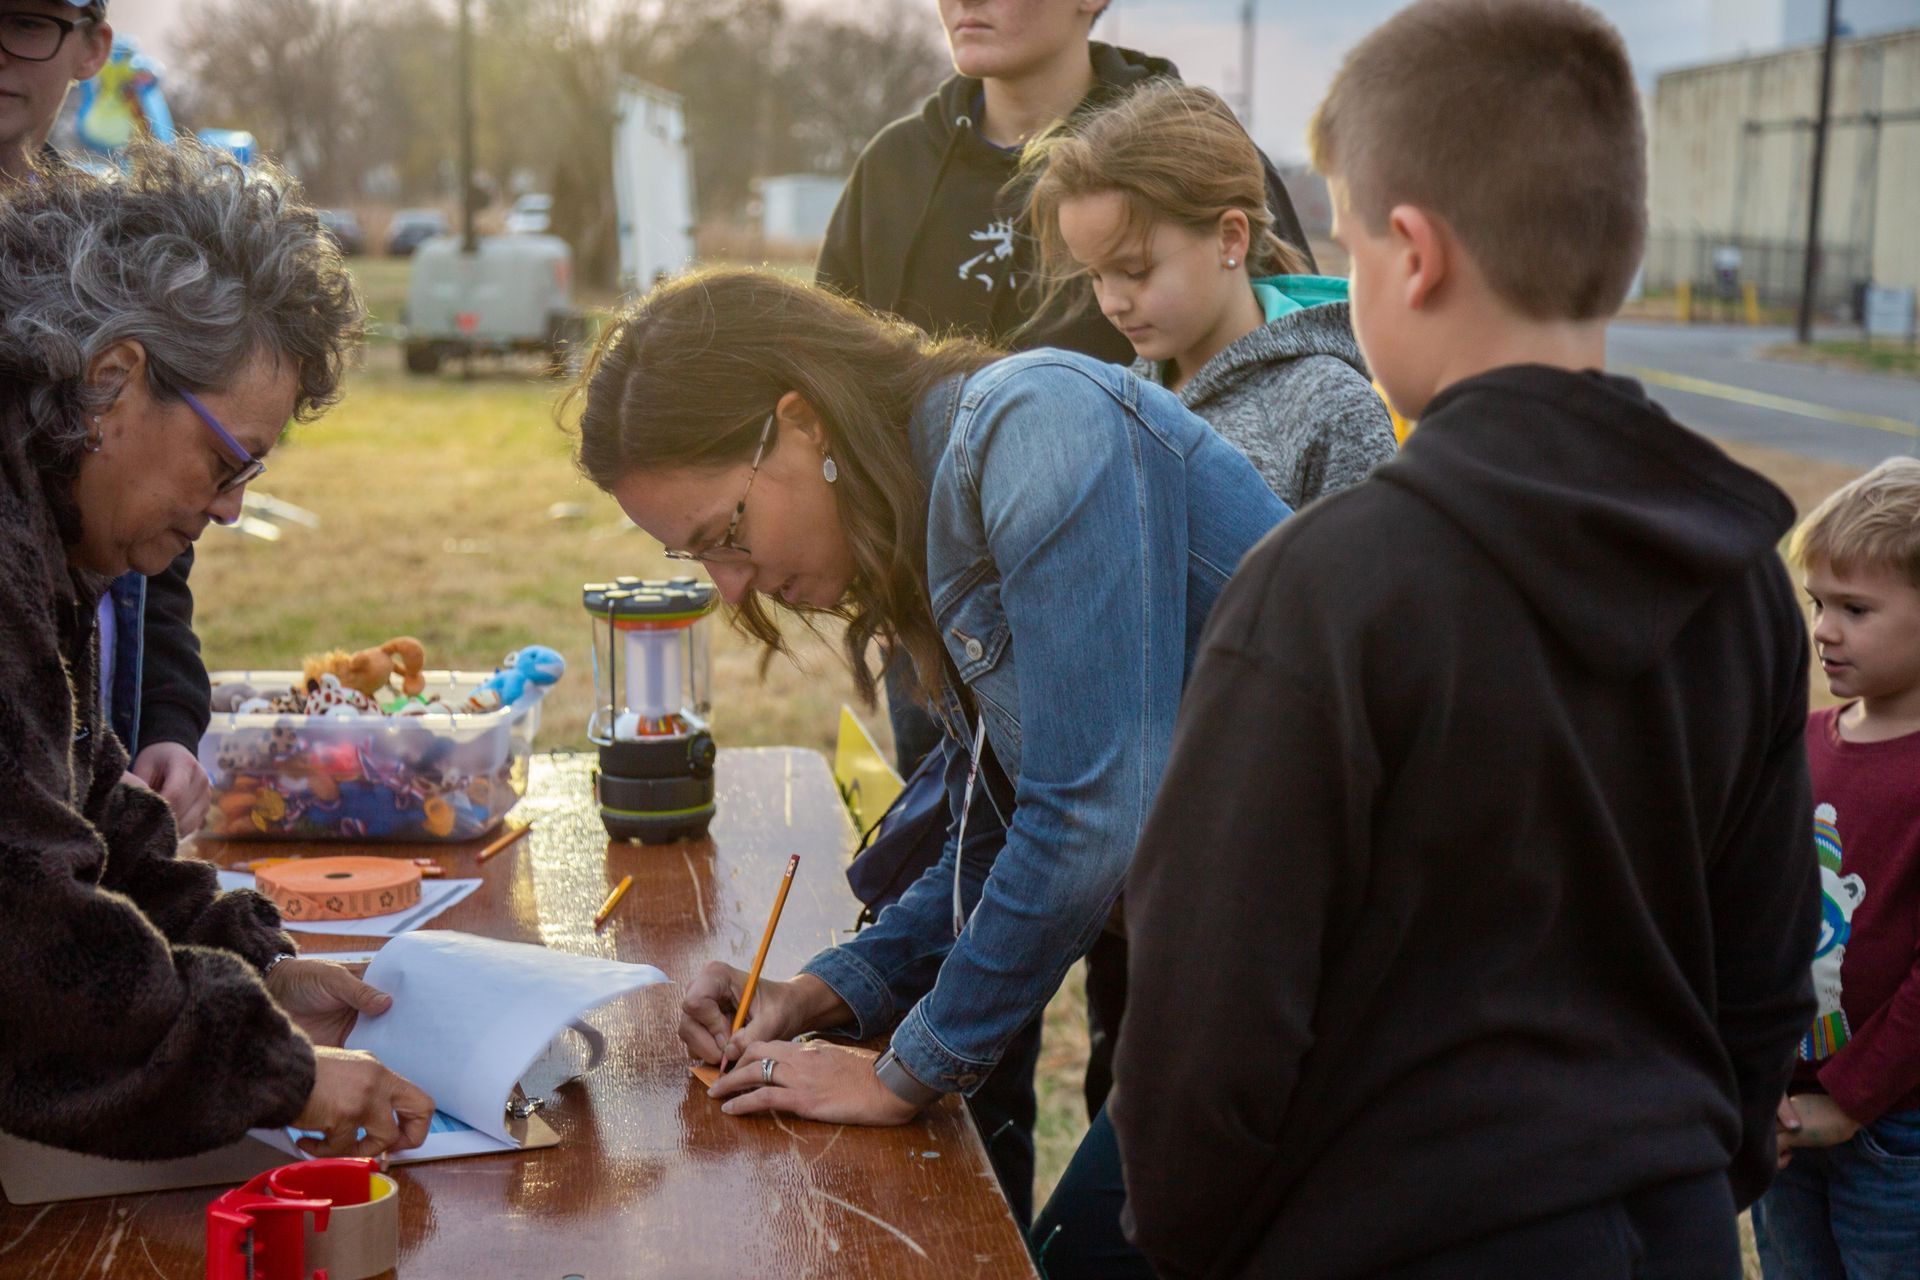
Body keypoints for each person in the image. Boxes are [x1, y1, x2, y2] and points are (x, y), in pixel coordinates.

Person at [1110, 2, 1822, 1276]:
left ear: (1413, 253)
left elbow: (1205, 1024)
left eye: (1345, 236)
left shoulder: (1325, 587)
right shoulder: (1742, 582)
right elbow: (1767, 976)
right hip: (1668, 1230)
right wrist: (1680, 1175)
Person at [566, 265, 1285, 1203]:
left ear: (803, 420)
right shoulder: (928, 521)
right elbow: (999, 829)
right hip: (1261, 967)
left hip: (1381, 978)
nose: (729, 584)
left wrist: (903, 1071)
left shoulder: (1036, 429)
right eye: (693, 555)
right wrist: (819, 993)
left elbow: (1089, 814)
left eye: (726, 531)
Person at [816, 0, 1316, 1204]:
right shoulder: (895, 172)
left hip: (1205, 777)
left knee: (1149, 1060)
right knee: (991, 933)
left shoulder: (1190, 159)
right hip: (983, 673)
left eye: (1129, 271)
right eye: (1097, 280)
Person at [0, 140, 432, 1161]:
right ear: (113, 383)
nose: (235, 508)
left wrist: (247, 960)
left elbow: (74, 801)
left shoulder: (41, 504)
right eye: (227, 460)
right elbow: (30, 940)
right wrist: (278, 1071)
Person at [0, 0, 216, 834]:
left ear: (92, 47)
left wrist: (166, 724)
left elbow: (153, 547)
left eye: (24, 20)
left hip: (83, 794)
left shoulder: (113, 261)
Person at [1022, 79, 1395, 509]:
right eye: (1095, 276)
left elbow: (1373, 576)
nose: (1111, 303)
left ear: (1230, 239)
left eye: (1135, 271)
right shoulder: (1122, 398)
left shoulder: (1331, 409)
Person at [1752, 457, 1920, 1279]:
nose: (1823, 629)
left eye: (1856, 609)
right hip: (1784, 1112)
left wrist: (1851, 1099)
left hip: (1898, 1131)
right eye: (1820, 603)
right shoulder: (1805, 743)